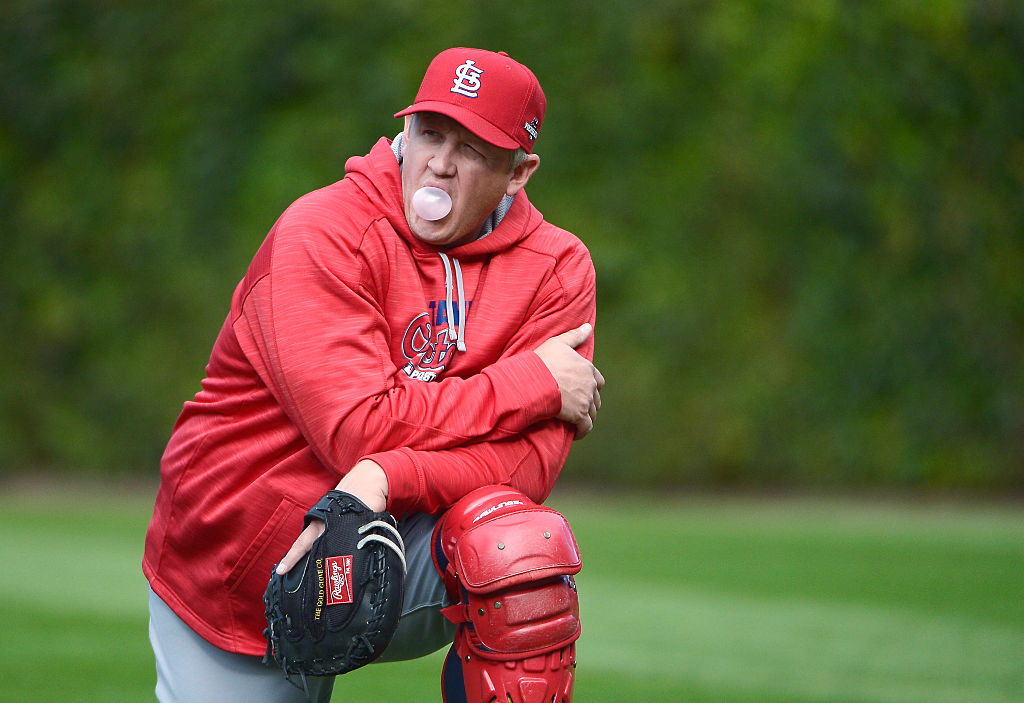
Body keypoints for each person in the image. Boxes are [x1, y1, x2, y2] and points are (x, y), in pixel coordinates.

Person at [143, 47, 603, 703]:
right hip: (248, 560)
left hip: (395, 531)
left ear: (518, 172)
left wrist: (391, 476)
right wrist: (534, 382)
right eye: (430, 132)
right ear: (406, 131)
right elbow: (359, 429)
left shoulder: (557, 269)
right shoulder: (322, 229)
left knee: (520, 550)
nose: (440, 162)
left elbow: (531, 464)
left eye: (472, 147)